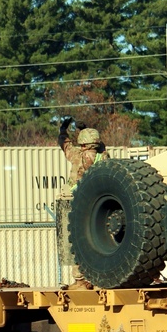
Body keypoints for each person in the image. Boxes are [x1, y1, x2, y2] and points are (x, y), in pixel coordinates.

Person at [57, 117, 109, 291]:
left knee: (76, 241)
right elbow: (100, 147)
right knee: (96, 240)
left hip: (75, 203)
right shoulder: (103, 157)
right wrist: (85, 130)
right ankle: (96, 278)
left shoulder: (78, 156)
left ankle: (80, 280)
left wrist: (64, 129)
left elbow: (65, 144)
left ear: (83, 144)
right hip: (98, 205)